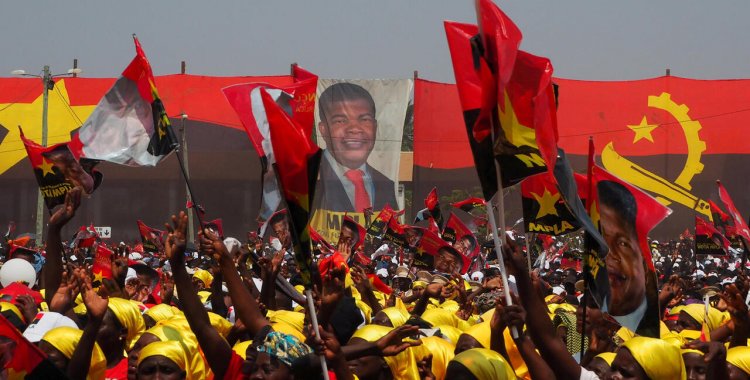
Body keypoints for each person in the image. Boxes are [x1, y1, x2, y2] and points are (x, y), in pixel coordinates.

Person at [315, 82, 398, 213]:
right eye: (340, 121)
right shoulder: (308, 179)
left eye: (364, 119)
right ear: (323, 129)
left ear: (375, 127)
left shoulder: (385, 184)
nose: (354, 129)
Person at [598, 180, 658, 336]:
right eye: (600, 242)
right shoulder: (580, 327)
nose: (609, 255)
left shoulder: (664, 330)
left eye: (623, 243)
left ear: (645, 267)